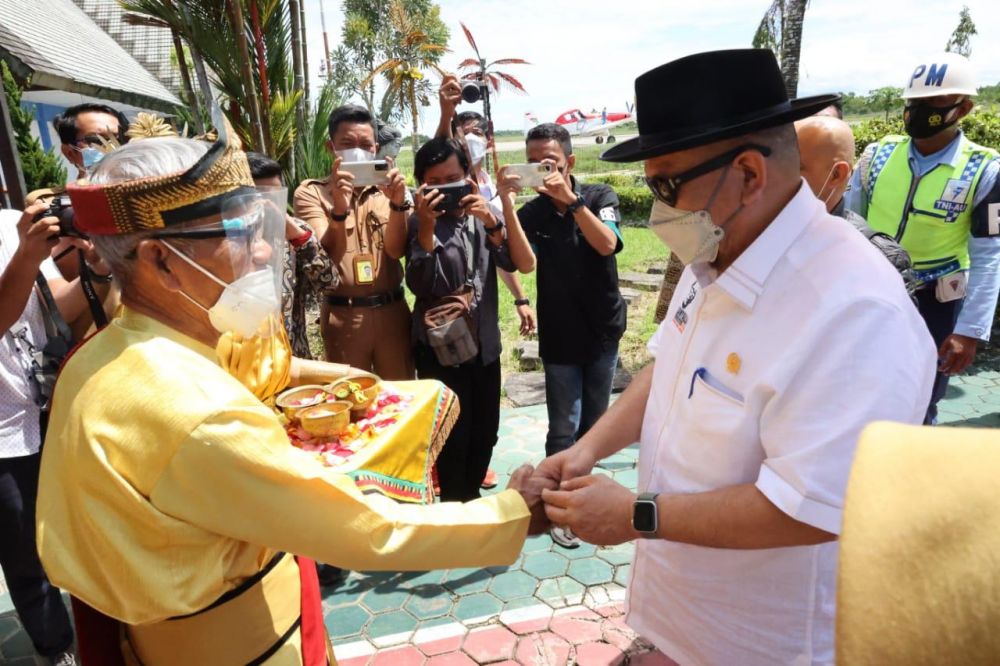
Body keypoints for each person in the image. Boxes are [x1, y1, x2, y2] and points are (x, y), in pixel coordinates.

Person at [36, 122, 553, 665]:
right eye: (236, 233)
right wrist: (514, 513)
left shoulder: (107, 350)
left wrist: (348, 381)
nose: (261, 252)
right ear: (159, 260)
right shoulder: (195, 412)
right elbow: (368, 531)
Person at [536, 49, 937, 665]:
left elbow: (810, 510)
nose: (660, 211)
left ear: (749, 174)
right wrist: (582, 452)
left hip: (765, 644)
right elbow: (665, 369)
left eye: (667, 184)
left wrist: (637, 514)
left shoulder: (853, 310)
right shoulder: (718, 254)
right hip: (682, 627)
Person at [845, 53, 1000, 424]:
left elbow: (989, 255)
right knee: (859, 386)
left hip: (936, 301)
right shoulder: (878, 155)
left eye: (935, 103)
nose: (919, 111)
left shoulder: (985, 171)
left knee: (921, 395)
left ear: (962, 109)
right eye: (914, 103)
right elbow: (847, 224)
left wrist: (970, 331)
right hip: (874, 288)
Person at [1, 199, 117, 666]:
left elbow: (60, 307)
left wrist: (97, 268)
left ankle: (107, 630)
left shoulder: (13, 225)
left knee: (82, 525)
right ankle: (58, 649)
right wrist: (26, 258)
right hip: (3, 433)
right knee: (25, 550)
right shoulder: (23, 243)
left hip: (44, 405)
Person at [402, 138, 535, 502]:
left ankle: (470, 493)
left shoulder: (482, 215)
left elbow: (516, 263)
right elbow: (423, 284)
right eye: (435, 182)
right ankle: (455, 503)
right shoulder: (417, 222)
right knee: (452, 436)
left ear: (468, 176)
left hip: (484, 345)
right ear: (421, 184)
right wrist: (427, 227)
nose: (447, 187)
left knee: (486, 430)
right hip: (440, 348)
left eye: (454, 177)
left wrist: (493, 221)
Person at [515, 122, 625, 548]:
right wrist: (506, 202)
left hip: (602, 330)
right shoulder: (533, 213)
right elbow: (522, 263)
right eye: (533, 165)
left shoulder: (598, 197)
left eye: (549, 164)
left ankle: (587, 504)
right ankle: (556, 509)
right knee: (563, 429)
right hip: (559, 336)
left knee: (594, 428)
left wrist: (573, 202)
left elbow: (608, 245)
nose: (542, 174)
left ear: (569, 163)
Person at [293, 104, 414, 379]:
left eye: (365, 144)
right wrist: (338, 209)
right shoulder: (312, 193)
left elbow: (396, 250)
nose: (357, 151)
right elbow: (326, 258)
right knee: (351, 398)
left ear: (376, 148)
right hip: (343, 314)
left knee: (400, 395)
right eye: (347, 144)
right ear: (330, 147)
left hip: (392, 311)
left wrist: (397, 205)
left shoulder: (390, 189)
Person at [796, 115, 915, 287]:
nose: (776, 178)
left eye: (795, 167)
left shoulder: (879, 259)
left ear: (836, 175)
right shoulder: (764, 229)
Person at [247, 152, 337, 359]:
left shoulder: (297, 234)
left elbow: (329, 282)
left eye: (273, 197)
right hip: (244, 363)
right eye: (258, 198)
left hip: (293, 358)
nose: (267, 206)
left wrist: (297, 236)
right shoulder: (225, 241)